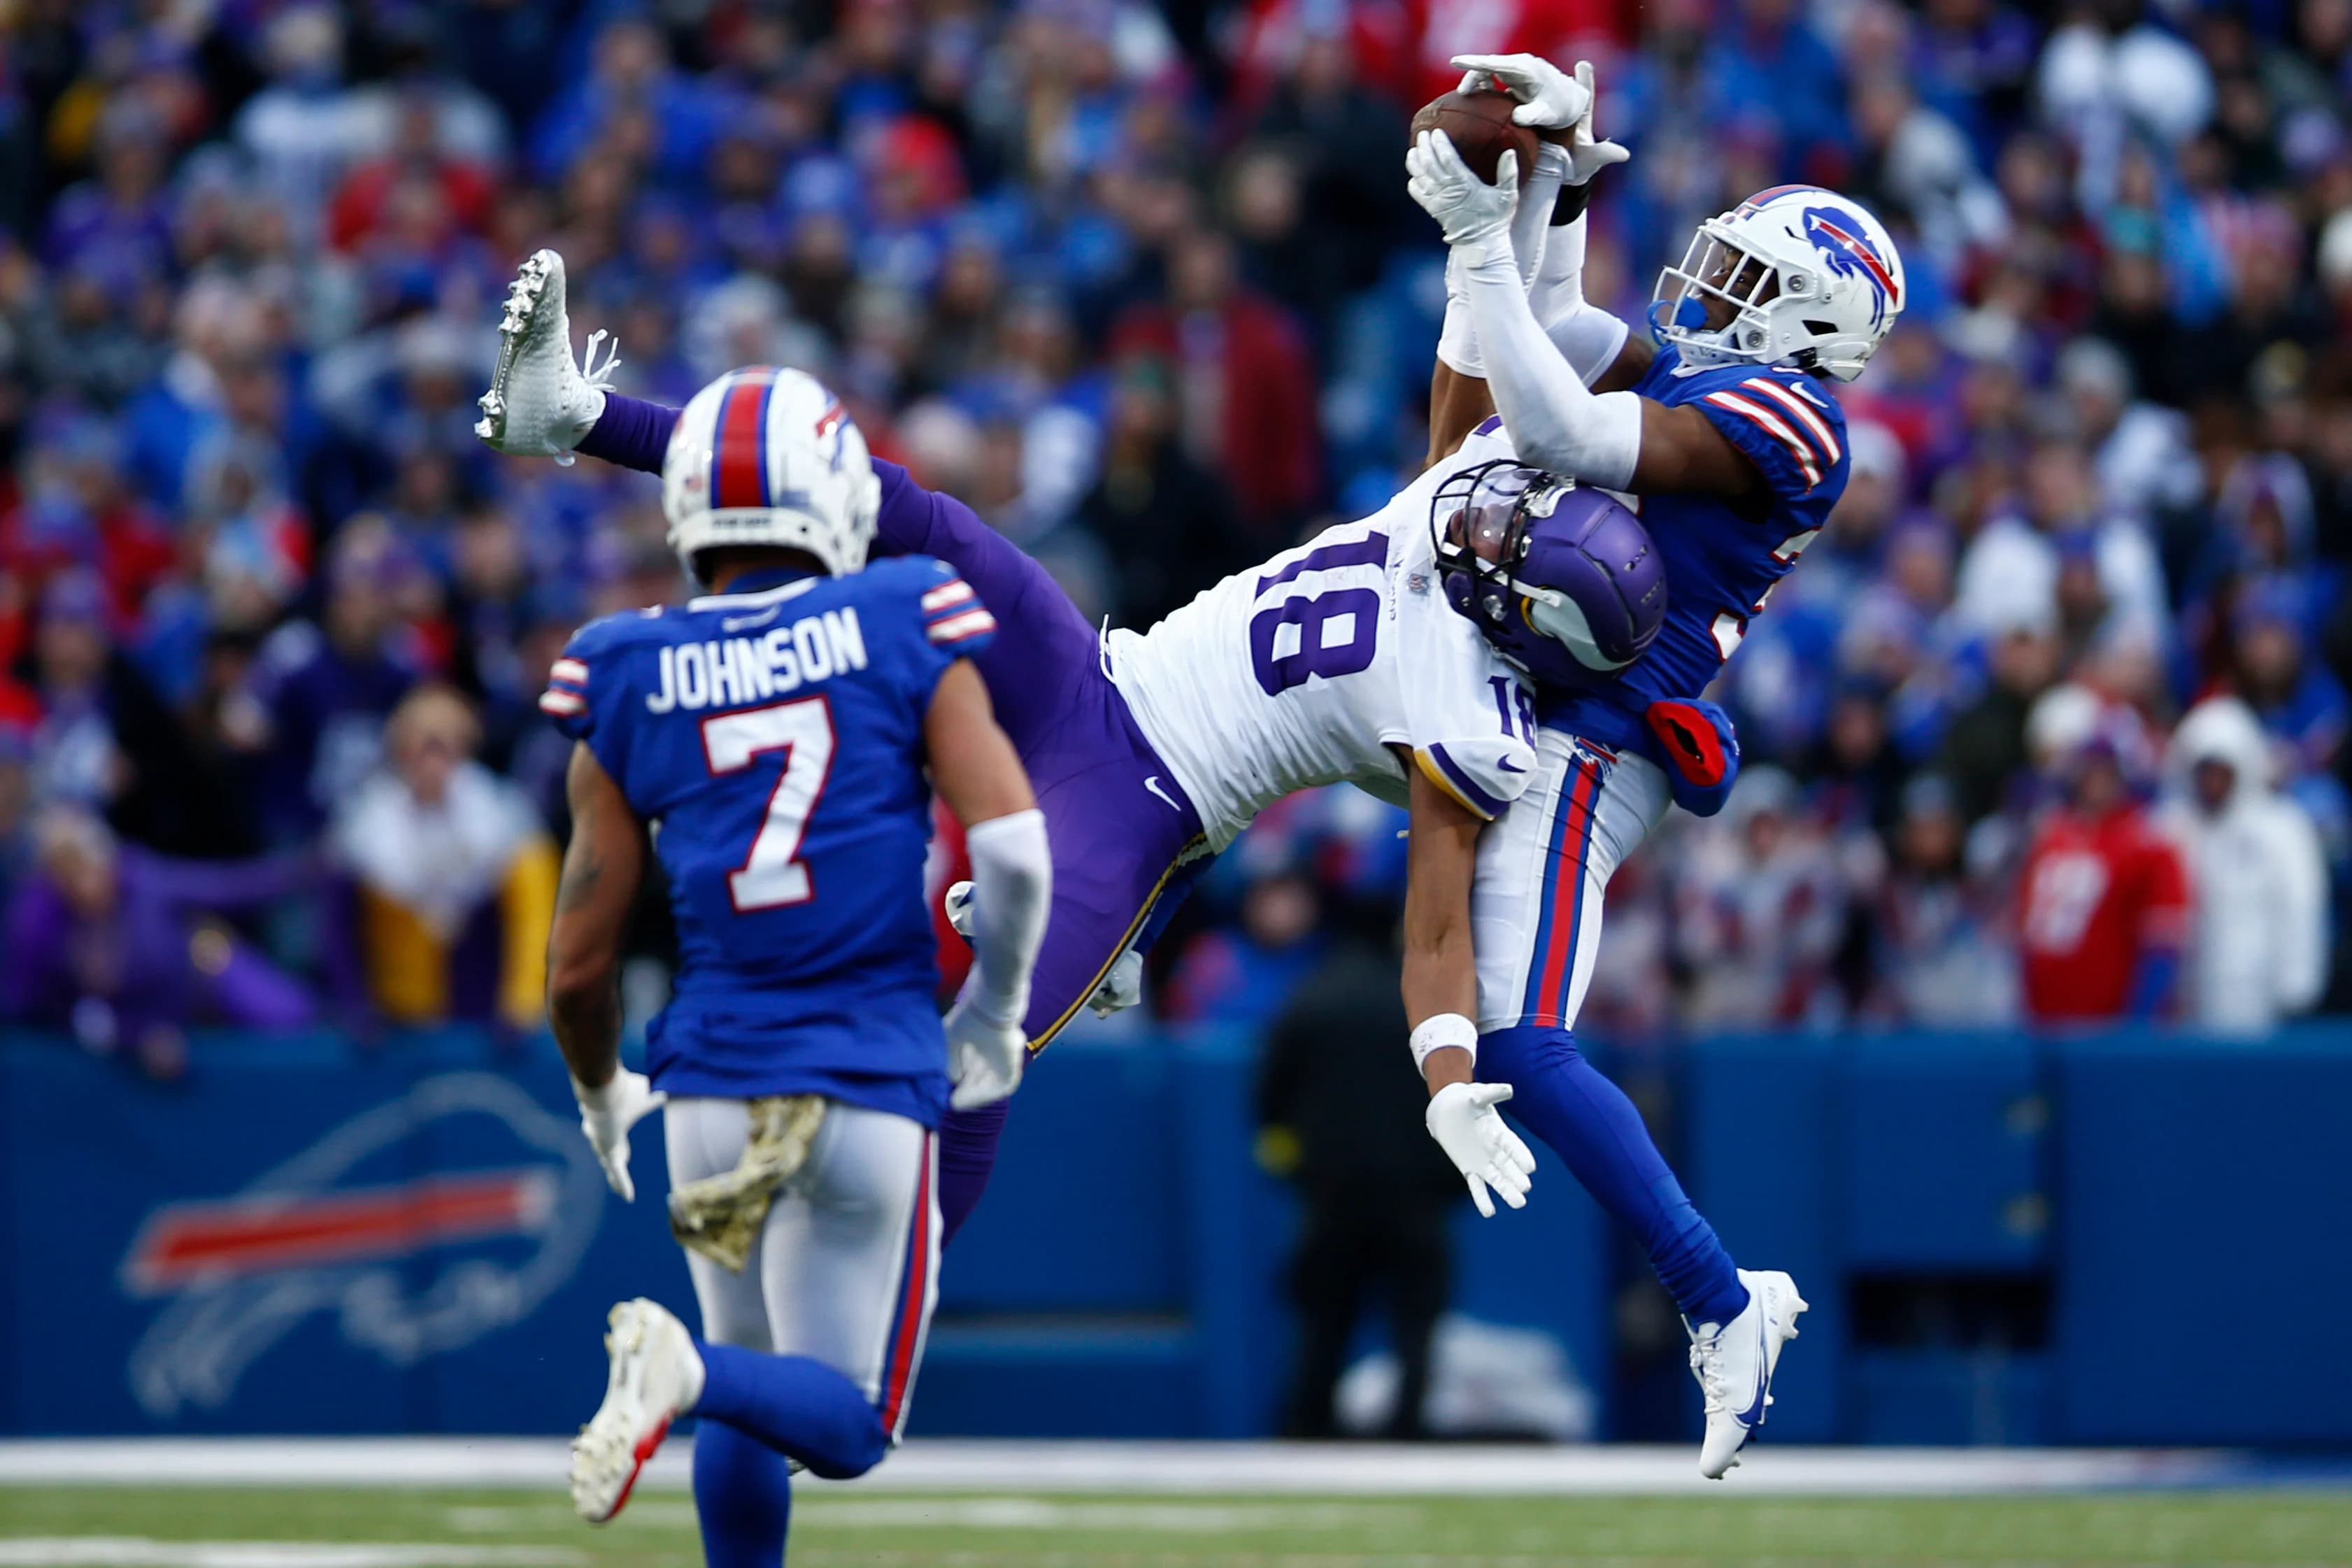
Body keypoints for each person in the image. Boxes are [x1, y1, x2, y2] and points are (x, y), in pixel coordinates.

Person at [478, 250, 1613, 1246]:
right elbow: (1489, 335)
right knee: (893, 507)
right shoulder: (1455, 493)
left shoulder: (1473, 707)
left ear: (1523, 619)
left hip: (1136, 803)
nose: (1487, 528)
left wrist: (1448, 1070)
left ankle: (869, 1313)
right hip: (1088, 673)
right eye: (1510, 519)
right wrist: (1527, 198)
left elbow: (1434, 919)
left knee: (977, 1056)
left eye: (1514, 549)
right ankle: (576, 416)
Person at [1404, 50, 1912, 1473]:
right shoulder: (1720, 369)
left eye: (1746, 285)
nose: (1709, 296)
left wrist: (1469, 245)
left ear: (1809, 322)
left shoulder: (1796, 422)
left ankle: (1720, 1297)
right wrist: (1554, 183)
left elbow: (1560, 423)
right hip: (1538, 703)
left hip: (1597, 744)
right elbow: (1556, 323)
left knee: (1517, 1038)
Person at [543, 366, 1052, 1562]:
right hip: (864, 1069)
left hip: (709, 1083)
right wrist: (992, 1011)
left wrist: (600, 1086)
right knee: (849, 1422)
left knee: (747, 1387)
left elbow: (577, 966)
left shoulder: (622, 665)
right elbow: (1017, 856)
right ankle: (681, 1370)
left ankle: (694, 1377)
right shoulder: (903, 611)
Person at [2155, 696, 2327, 1034]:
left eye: (2223, 772)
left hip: (2255, 995)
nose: (2213, 782)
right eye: (2205, 772)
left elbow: (2300, 904)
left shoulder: (2281, 828)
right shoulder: (2169, 828)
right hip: (2183, 998)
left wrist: (2297, 983)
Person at [2016, 711, 2190, 1025]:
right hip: (2044, 1016)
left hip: (2107, 1019)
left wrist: (2140, 1015)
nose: (2097, 783)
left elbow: (2164, 941)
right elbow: (2027, 929)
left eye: (2107, 774)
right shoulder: (2051, 836)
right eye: (2090, 773)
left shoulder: (2148, 842)